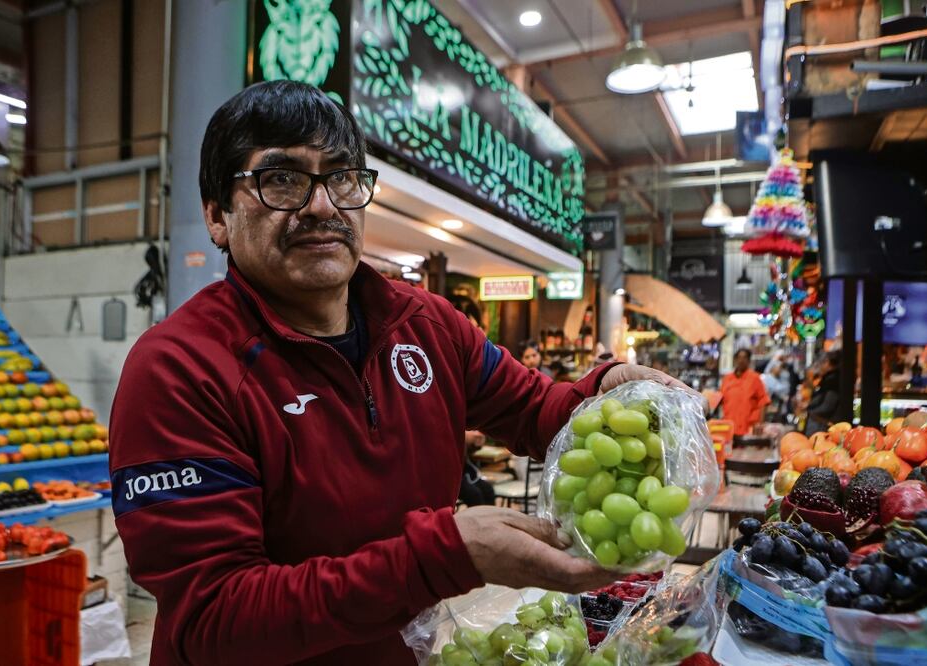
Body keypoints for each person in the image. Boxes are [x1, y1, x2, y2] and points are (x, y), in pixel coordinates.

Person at [108, 81, 694, 665]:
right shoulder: (178, 369)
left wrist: (601, 392)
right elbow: (214, 618)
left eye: (342, 177)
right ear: (217, 216)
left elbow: (534, 410)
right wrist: (439, 557)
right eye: (281, 178)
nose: (322, 205)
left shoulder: (426, 324)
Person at [720, 348, 770, 436]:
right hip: (729, 428)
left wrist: (760, 423)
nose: (741, 361)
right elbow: (720, 400)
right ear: (735, 360)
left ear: (749, 361)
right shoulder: (727, 379)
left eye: (744, 358)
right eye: (739, 358)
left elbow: (763, 401)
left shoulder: (755, 378)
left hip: (749, 428)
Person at [806, 352, 842, 436]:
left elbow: (828, 405)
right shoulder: (830, 377)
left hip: (826, 422)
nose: (820, 366)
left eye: (822, 363)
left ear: (828, 363)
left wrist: (811, 412)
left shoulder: (832, 379)